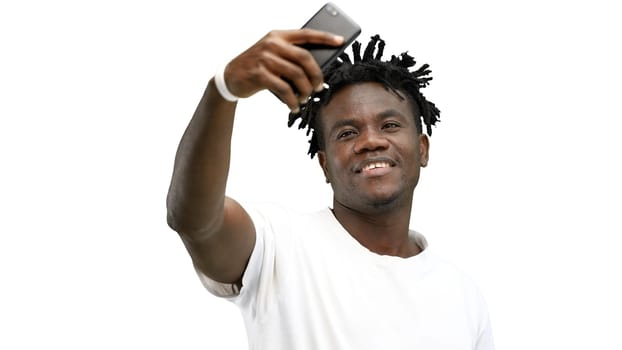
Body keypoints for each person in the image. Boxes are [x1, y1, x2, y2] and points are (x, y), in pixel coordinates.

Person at [166, 28, 495, 349]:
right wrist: (223, 90)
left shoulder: (462, 295)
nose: (370, 141)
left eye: (390, 125)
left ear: (422, 149)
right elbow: (194, 219)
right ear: (324, 164)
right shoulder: (277, 247)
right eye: (347, 133)